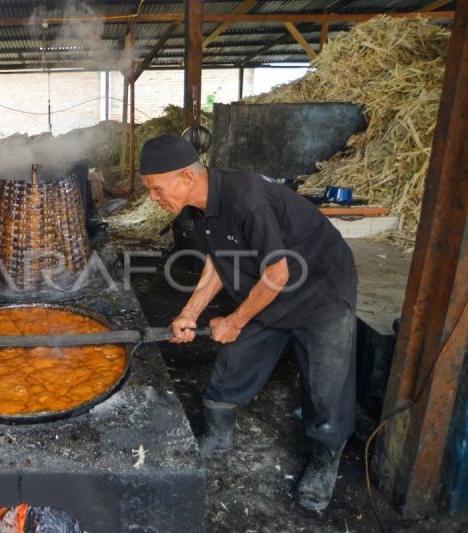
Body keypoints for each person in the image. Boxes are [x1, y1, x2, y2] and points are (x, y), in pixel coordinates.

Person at [140, 133, 357, 512]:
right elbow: (218, 261)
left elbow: (278, 272)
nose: (153, 199)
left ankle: (325, 461)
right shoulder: (198, 206)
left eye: (157, 189)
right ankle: (219, 437)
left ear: (186, 178)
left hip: (320, 289)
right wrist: (191, 312)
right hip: (268, 289)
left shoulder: (247, 199)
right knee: (233, 364)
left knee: (327, 387)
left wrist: (237, 320)